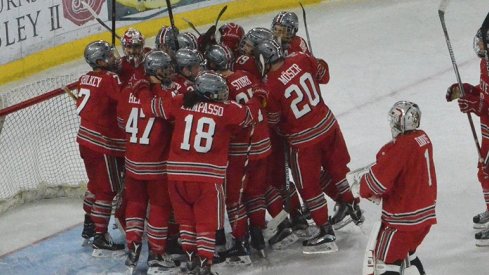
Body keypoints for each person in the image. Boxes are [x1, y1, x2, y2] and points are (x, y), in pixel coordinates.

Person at [140, 71, 265, 274]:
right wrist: (258, 95)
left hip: (176, 175)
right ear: (210, 94)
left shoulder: (181, 101)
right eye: (220, 91)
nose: (224, 94)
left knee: (187, 222)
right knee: (205, 224)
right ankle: (205, 265)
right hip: (206, 177)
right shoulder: (226, 109)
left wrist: (143, 88)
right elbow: (249, 116)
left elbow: (150, 108)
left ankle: (191, 261)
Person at [254, 39, 363, 254]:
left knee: (309, 186)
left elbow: (274, 120)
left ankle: (325, 230)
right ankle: (352, 206)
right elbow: (324, 74)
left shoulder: (272, 86)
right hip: (328, 125)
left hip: (304, 141)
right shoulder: (302, 58)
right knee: (338, 170)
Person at [355, 101, 437, 275]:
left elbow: (377, 183)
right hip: (424, 220)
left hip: (401, 223)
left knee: (383, 265)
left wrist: (361, 185)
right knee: (407, 252)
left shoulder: (400, 147)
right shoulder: (423, 138)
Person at [117, 50, 176, 273]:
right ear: (155, 71)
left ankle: (132, 248)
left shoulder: (127, 91)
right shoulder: (163, 96)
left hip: (132, 161)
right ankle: (157, 254)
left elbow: (122, 123)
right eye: (165, 69)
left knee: (135, 204)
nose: (168, 72)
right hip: (157, 164)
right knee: (160, 206)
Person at [77, 40, 125, 256]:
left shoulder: (84, 78)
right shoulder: (110, 79)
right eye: (109, 56)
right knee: (107, 190)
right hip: (102, 143)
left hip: (84, 140)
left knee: (95, 186)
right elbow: (122, 100)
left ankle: (89, 222)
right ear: (99, 61)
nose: (114, 58)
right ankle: (100, 235)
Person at [446, 28, 489, 236]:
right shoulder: (486, 63)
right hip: (487, 131)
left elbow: (485, 105)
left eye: (482, 41)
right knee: (484, 171)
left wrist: (473, 105)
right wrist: (466, 90)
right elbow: (484, 95)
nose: (478, 44)